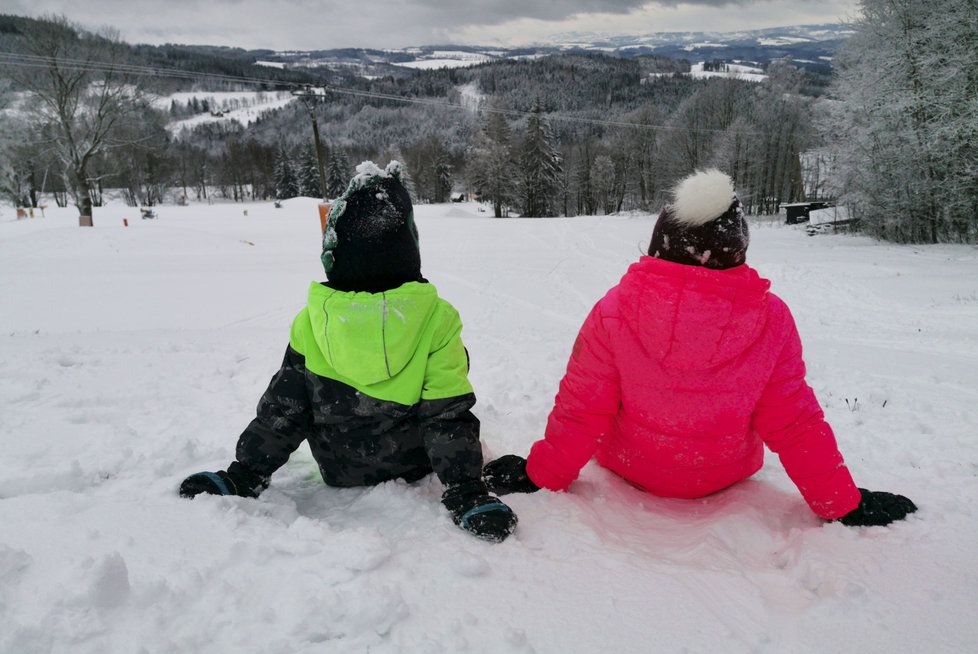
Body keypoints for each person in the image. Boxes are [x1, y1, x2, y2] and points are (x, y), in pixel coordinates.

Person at [484, 170, 916, 527]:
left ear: (661, 243)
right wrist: (842, 503)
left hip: (629, 467)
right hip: (724, 476)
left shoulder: (614, 310)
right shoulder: (771, 318)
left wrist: (542, 475)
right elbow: (794, 422)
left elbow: (583, 408)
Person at [180, 161, 517, 543]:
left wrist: (245, 473)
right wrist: (466, 489)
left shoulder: (312, 321)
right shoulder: (437, 319)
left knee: (303, 388)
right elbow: (447, 415)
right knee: (450, 374)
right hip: (413, 464)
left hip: (339, 468)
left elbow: (284, 409)